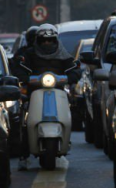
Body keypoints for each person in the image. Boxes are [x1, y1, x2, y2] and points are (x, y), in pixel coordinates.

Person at [10, 23, 81, 170]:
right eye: (43, 41)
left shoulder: (65, 55)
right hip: (33, 93)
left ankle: (66, 138)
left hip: (59, 92)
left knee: (73, 107)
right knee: (24, 121)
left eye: (50, 40)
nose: (47, 43)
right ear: (37, 41)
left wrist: (71, 77)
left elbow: (74, 69)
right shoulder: (28, 54)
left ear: (56, 41)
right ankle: (23, 156)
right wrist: (26, 78)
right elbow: (18, 66)